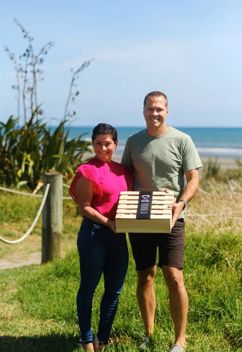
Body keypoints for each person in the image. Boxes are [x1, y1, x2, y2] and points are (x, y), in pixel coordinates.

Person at [121, 91, 202, 352]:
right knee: (145, 275)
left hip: (172, 217)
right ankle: (149, 334)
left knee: (174, 276)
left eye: (159, 109)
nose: (154, 113)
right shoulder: (133, 142)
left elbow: (193, 179)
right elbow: (124, 178)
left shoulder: (182, 140)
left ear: (167, 111)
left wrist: (181, 203)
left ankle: (180, 340)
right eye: (150, 109)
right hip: (140, 218)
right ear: (143, 110)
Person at [69, 123, 132, 352]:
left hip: (118, 237)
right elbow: (84, 208)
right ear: (92, 144)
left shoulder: (124, 171)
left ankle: (103, 339)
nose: (102, 148)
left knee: (114, 289)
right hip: (94, 234)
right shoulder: (87, 170)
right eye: (98, 143)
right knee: (89, 286)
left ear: (115, 144)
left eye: (107, 143)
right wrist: (109, 224)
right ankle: (86, 339)